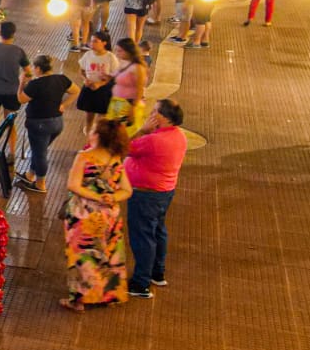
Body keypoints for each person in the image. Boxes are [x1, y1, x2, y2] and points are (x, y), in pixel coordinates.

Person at [59, 118, 132, 311]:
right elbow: (127, 190)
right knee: (109, 255)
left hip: (84, 215)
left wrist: (96, 197)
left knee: (83, 257)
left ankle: (80, 300)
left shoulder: (84, 157)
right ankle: (109, 294)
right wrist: (112, 196)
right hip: (110, 216)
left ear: (98, 136)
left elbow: (73, 185)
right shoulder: (115, 158)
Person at [124, 99, 188, 299]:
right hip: (164, 192)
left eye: (155, 112)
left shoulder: (152, 140)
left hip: (145, 195)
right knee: (158, 231)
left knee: (143, 237)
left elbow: (125, 147)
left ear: (164, 118)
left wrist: (142, 130)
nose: (151, 114)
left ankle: (140, 283)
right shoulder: (179, 136)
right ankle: (157, 273)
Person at [17, 54, 79, 193]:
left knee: (40, 154)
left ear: (38, 68)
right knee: (40, 150)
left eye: (34, 67)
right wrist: (63, 105)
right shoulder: (61, 79)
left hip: (39, 124)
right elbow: (76, 91)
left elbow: (21, 99)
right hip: (57, 123)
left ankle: (41, 184)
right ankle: (30, 175)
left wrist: (21, 83)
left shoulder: (35, 84)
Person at [75, 30, 117, 135]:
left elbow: (114, 75)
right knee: (89, 112)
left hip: (104, 89)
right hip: (89, 87)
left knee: (101, 114)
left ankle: (97, 133)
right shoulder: (88, 54)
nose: (91, 44)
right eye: (91, 41)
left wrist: (100, 84)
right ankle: (88, 130)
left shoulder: (110, 57)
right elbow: (81, 70)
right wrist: (85, 80)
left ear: (104, 43)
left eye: (95, 41)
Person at [106, 37, 148, 129]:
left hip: (128, 103)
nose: (117, 53)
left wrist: (133, 108)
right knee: (114, 128)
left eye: (120, 51)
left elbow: (140, 88)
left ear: (128, 51)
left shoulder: (138, 68)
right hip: (117, 101)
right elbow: (115, 76)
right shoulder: (123, 62)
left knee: (124, 130)